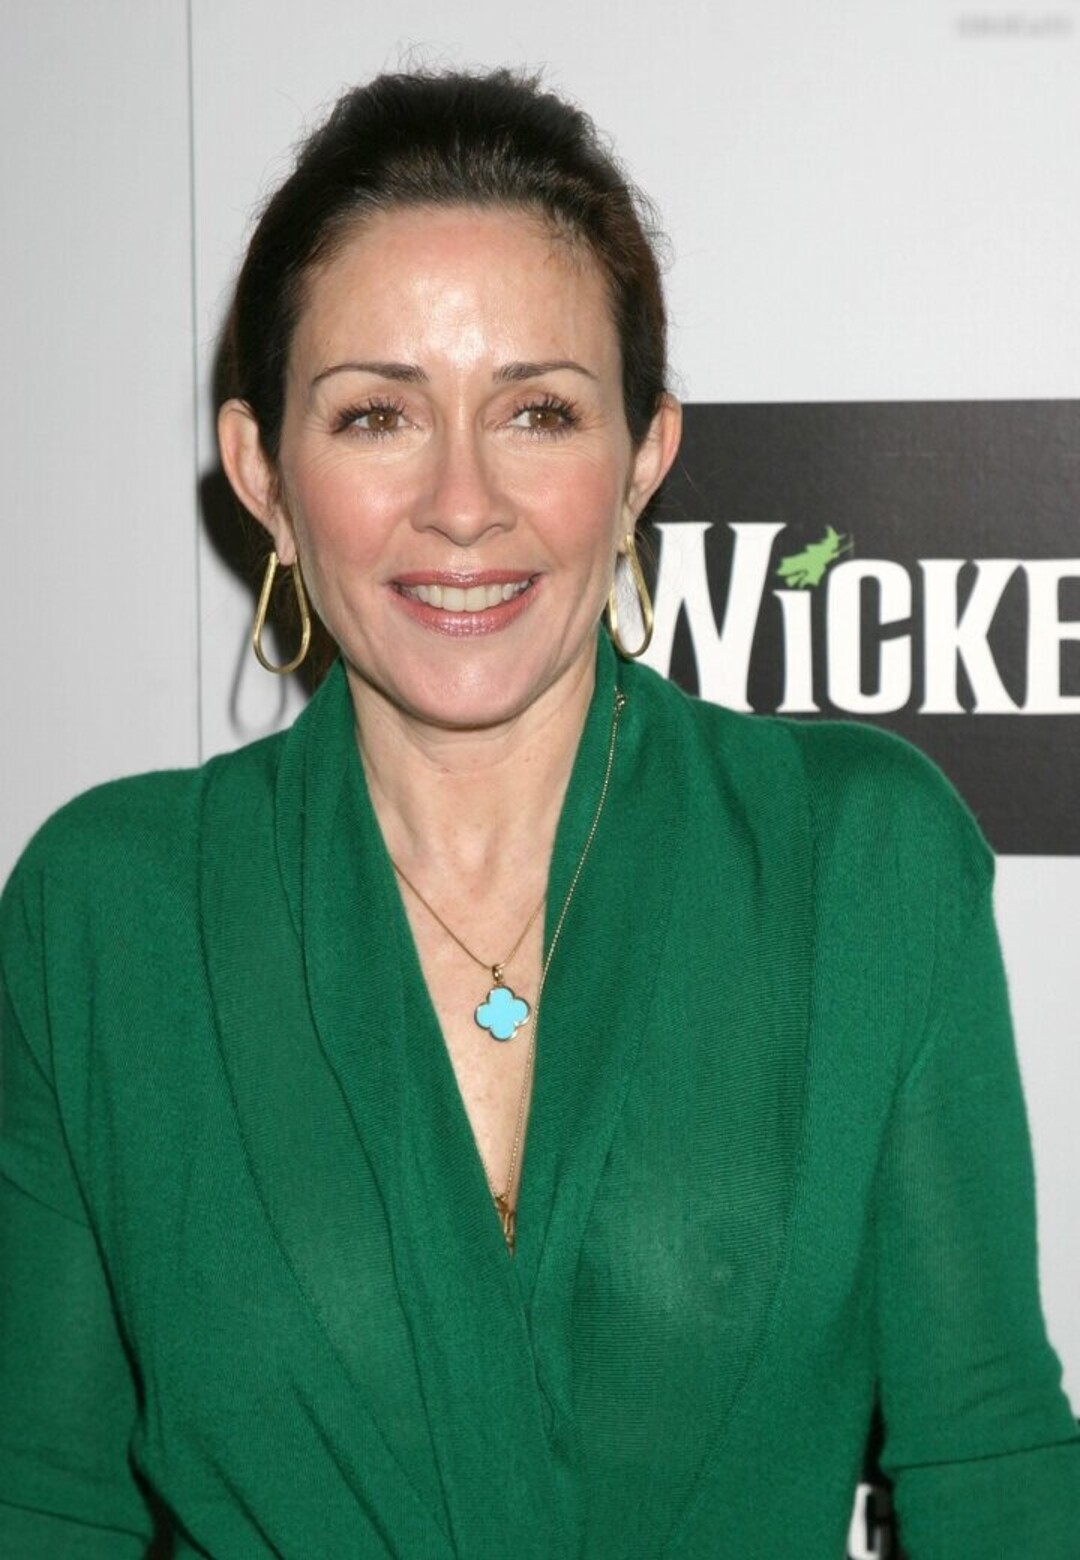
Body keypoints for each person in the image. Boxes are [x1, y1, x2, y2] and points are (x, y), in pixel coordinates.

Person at [1, 67, 1077, 1560]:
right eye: (377, 415)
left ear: (644, 457)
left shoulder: (858, 861)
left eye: (540, 412)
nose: (462, 504)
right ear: (264, 473)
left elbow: (993, 1465)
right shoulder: (106, 912)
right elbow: (44, 1502)